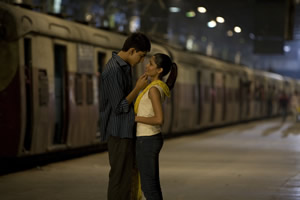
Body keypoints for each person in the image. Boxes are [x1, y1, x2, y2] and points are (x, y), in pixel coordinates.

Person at [99, 32, 151, 200]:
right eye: (141, 56)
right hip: (118, 131)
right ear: (131, 51)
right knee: (119, 178)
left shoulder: (124, 67)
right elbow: (119, 107)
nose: (142, 61)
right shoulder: (114, 70)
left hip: (125, 130)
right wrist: (137, 89)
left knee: (127, 176)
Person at [134, 53, 178, 200]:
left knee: (149, 186)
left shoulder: (153, 89)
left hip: (148, 139)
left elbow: (159, 119)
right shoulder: (156, 87)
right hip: (148, 139)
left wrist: (135, 118)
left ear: (159, 70)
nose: (147, 65)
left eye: (151, 64)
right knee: (151, 184)